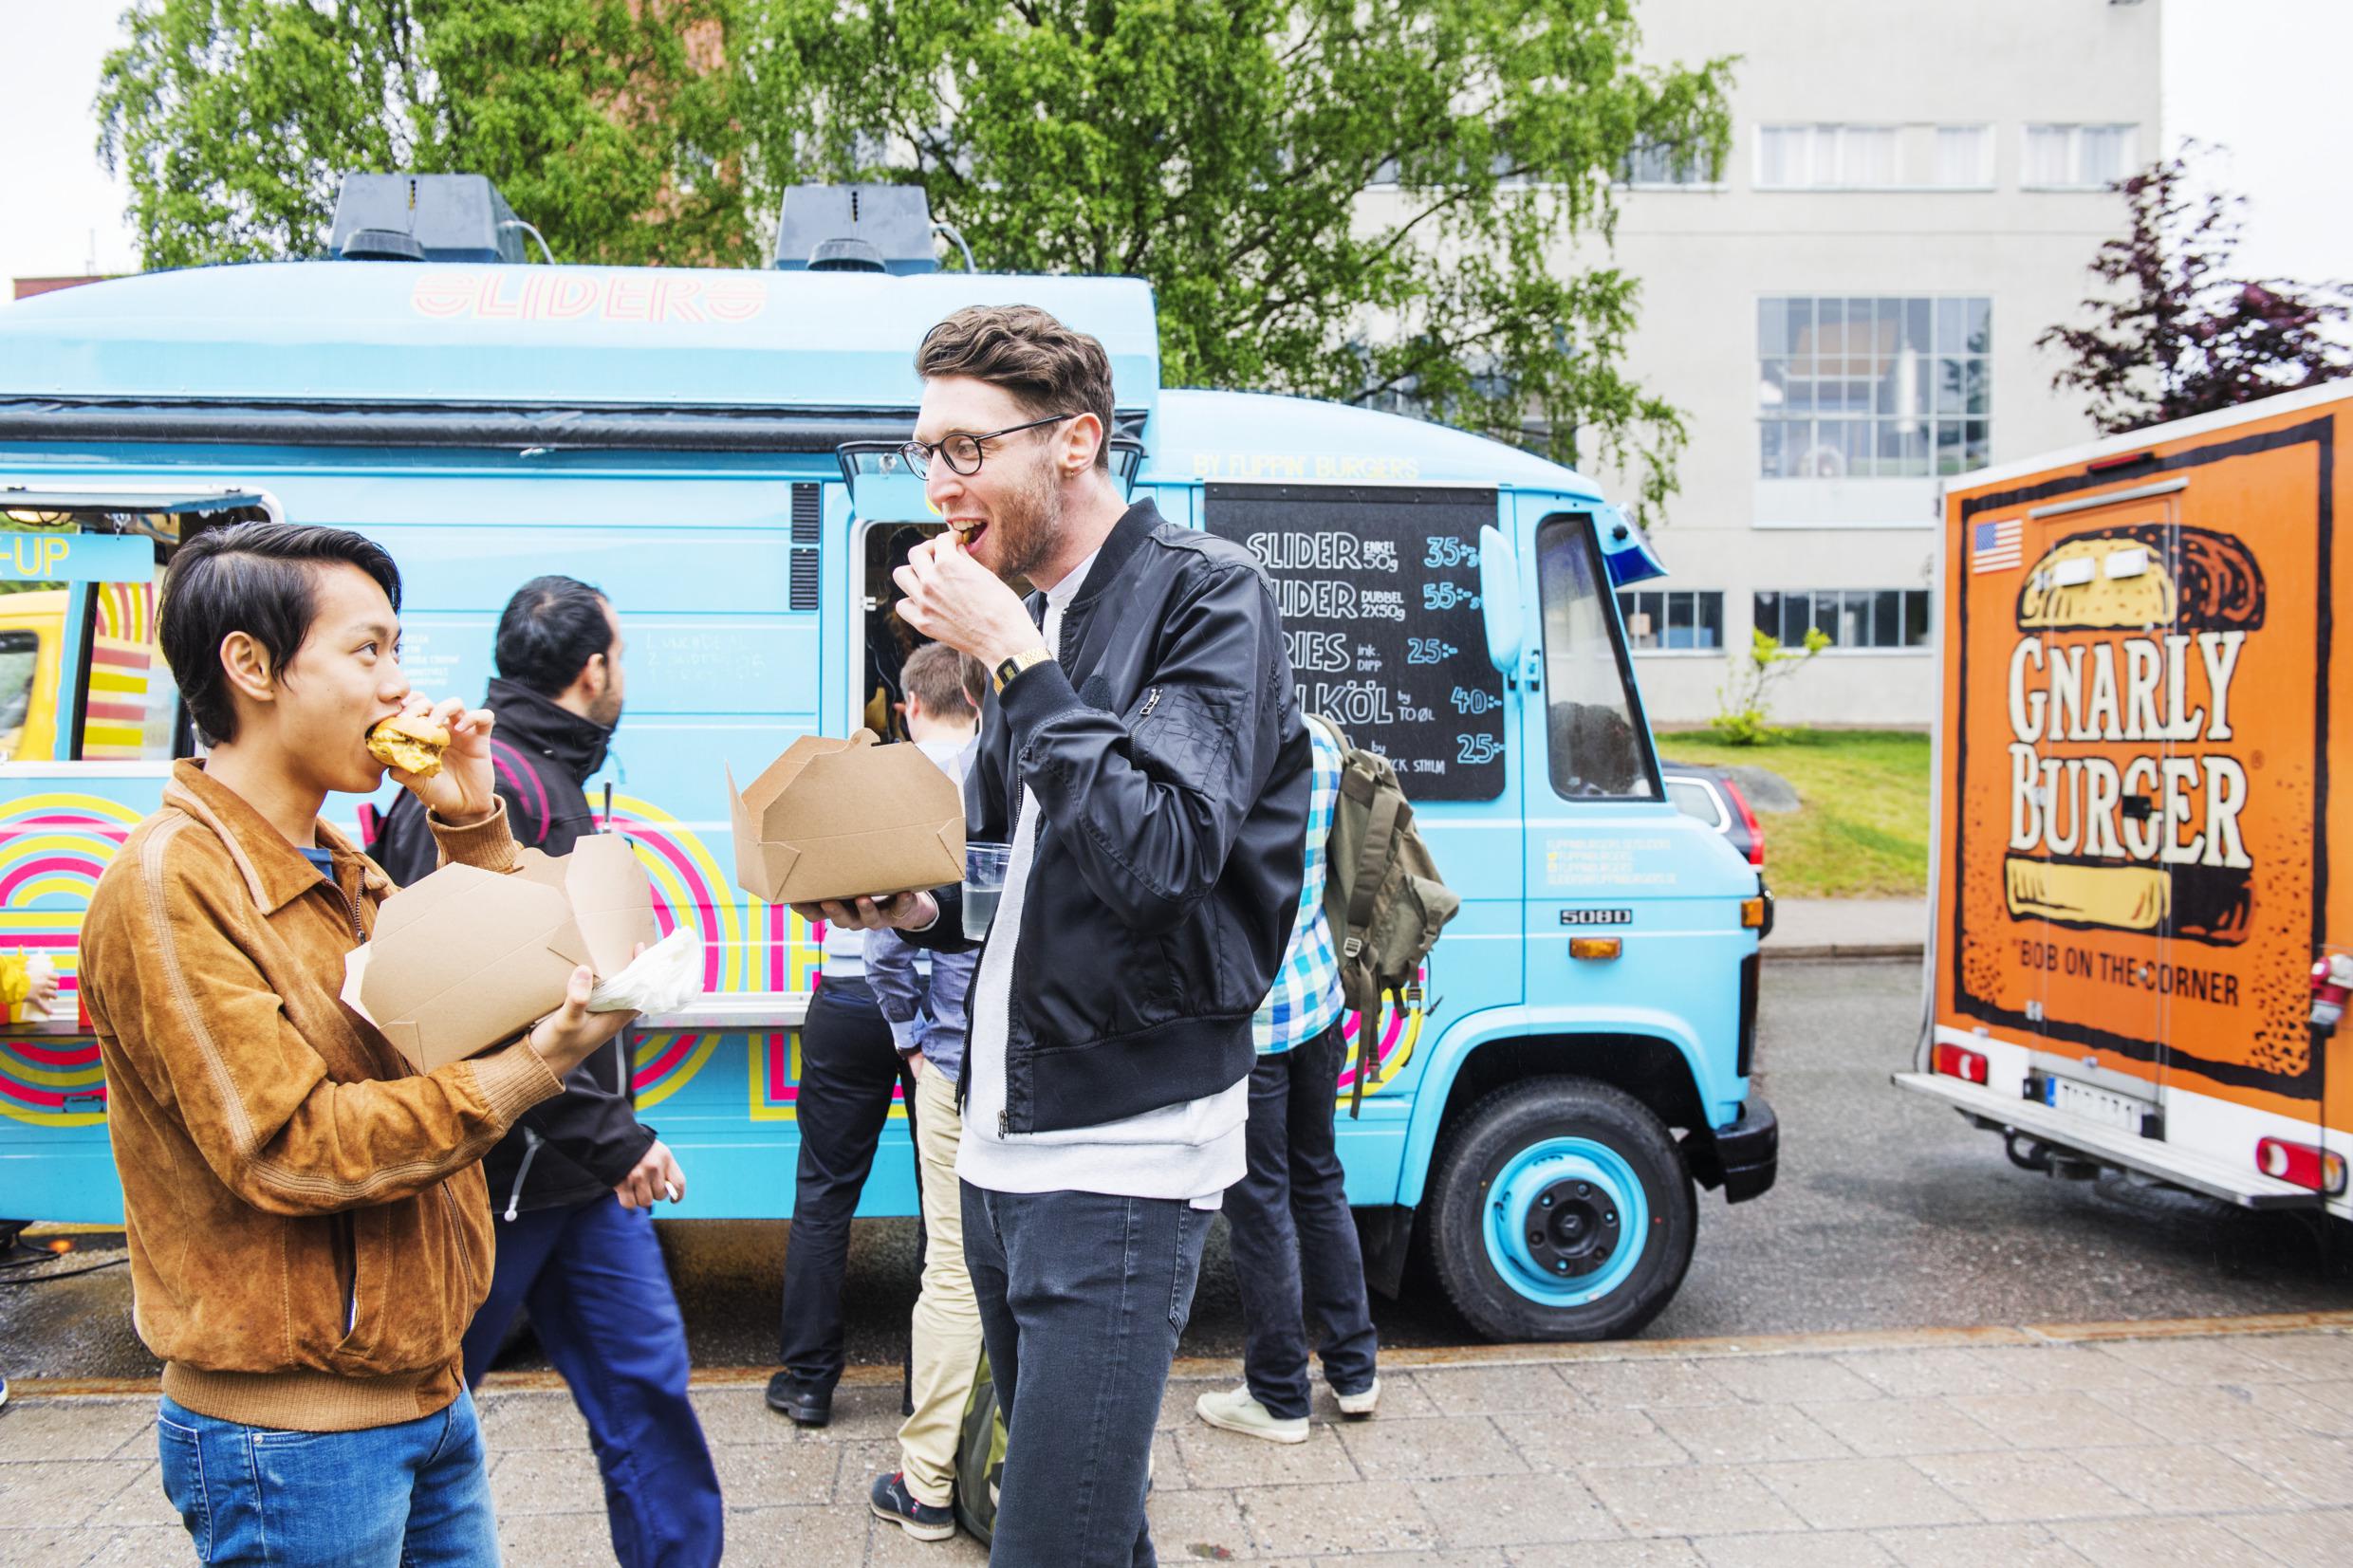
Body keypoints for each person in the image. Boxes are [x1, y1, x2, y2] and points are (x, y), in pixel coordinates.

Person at [802, 304, 1309, 1567]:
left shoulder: (1203, 595)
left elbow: (1166, 856)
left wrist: (1016, 657)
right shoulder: (1044, 615)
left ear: (1073, 441)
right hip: (1001, 1144)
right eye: (924, 451)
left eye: (967, 449)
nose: (937, 482)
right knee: (1088, 1524)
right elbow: (1027, 878)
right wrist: (912, 907)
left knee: (1047, 1544)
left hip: (1124, 1159)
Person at [79, 522, 635, 1568]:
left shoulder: (344, 861)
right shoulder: (172, 885)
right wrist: (535, 1068)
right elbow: (292, 1147)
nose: (398, 688)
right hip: (292, 1440)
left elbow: (476, 1014)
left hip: (423, 1398)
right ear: (251, 667)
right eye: (366, 651)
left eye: (397, 651)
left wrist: (472, 828)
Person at [375, 575, 723, 1568]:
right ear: (594, 668)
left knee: (646, 1390)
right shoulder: (486, 794)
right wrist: (614, 1133)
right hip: (496, 1174)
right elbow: (463, 1008)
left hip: (575, 1179)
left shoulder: (545, 776)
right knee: (423, 1411)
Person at [1195, 716, 1380, 1443]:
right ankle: (1355, 1369)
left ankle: (1277, 1394)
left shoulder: (1229, 745)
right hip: (1318, 996)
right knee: (1320, 1181)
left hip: (1255, 1016)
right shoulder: (1323, 738)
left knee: (1260, 1206)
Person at [861, 644, 983, 1540]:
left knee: (954, 1267)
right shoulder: (1022, 767)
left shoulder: (901, 790)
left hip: (950, 1061)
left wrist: (910, 1040)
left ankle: (930, 1480)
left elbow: (883, 943)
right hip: (1039, 1060)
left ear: (910, 704)